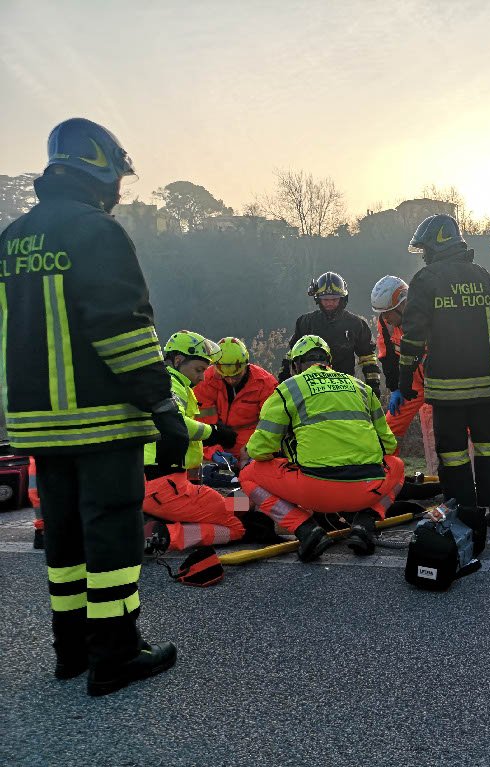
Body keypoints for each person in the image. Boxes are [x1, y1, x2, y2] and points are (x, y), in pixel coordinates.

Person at [0, 117, 187, 696]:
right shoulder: (97, 233)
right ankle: (116, 655)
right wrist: (163, 405)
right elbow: (122, 330)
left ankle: (71, 650)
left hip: (36, 422)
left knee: (64, 537)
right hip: (102, 418)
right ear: (99, 166)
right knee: (111, 536)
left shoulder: (12, 238)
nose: (118, 193)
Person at [393, 214, 490, 532]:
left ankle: (463, 513)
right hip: (486, 387)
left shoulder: (426, 280)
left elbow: (414, 335)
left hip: (447, 389)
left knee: (454, 453)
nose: (424, 256)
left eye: (425, 250)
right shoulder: (486, 277)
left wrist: (404, 378)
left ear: (435, 246)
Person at [240, 335, 404, 562]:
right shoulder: (361, 387)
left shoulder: (289, 388)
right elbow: (389, 445)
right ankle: (366, 523)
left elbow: (258, 451)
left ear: (296, 364)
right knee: (398, 466)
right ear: (329, 361)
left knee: (248, 474)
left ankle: (306, 530)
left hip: (315, 492)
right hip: (367, 490)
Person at [141, 331, 249, 554]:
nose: (202, 377)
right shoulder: (170, 385)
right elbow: (178, 424)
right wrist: (215, 432)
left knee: (226, 503)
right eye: (199, 370)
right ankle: (163, 535)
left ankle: (152, 522)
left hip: (157, 485)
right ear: (178, 361)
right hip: (167, 486)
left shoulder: (166, 384)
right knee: (235, 526)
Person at [283, 272, 380, 395]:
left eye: (334, 299)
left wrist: (373, 387)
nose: (330, 303)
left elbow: (368, 357)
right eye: (325, 299)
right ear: (318, 299)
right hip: (311, 389)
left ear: (342, 298)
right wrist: (283, 383)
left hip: (344, 388)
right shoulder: (306, 323)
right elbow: (291, 355)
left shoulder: (356, 324)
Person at [372, 276, 434, 448]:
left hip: (437, 383)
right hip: (410, 384)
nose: (385, 317)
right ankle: (385, 471)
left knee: (440, 431)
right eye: (382, 313)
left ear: (402, 304)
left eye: (388, 311)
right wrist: (395, 388)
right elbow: (387, 355)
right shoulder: (385, 323)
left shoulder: (426, 316)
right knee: (388, 431)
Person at [194, 336, 278, 461]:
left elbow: (271, 428)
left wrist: (252, 451)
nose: (231, 380)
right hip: (215, 441)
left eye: (236, 375)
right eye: (225, 376)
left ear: (246, 365)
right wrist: (213, 451)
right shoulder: (205, 381)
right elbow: (203, 423)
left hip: (251, 444)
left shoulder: (265, 384)